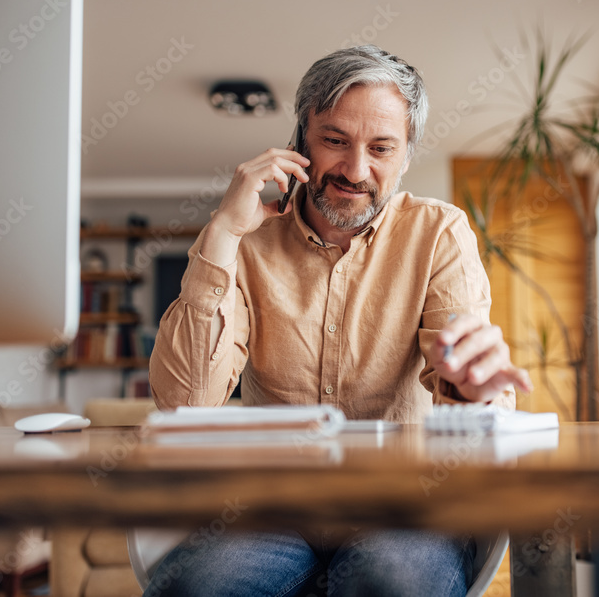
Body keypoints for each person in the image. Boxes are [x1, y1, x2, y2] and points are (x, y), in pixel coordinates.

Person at [146, 45, 532, 597]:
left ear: (405, 156)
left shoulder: (439, 234)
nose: (355, 170)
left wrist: (473, 394)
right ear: (300, 139)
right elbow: (185, 407)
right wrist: (223, 234)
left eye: (380, 148)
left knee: (393, 583)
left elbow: (469, 412)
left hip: (401, 506)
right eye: (334, 141)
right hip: (272, 509)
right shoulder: (246, 242)